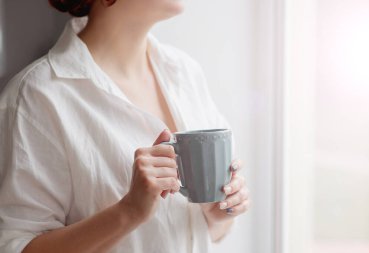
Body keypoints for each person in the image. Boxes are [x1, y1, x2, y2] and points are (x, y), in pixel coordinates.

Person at [0, 0, 250, 252]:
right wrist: (129, 212)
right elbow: (19, 245)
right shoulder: (37, 96)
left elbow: (203, 232)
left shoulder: (186, 73)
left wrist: (218, 216)